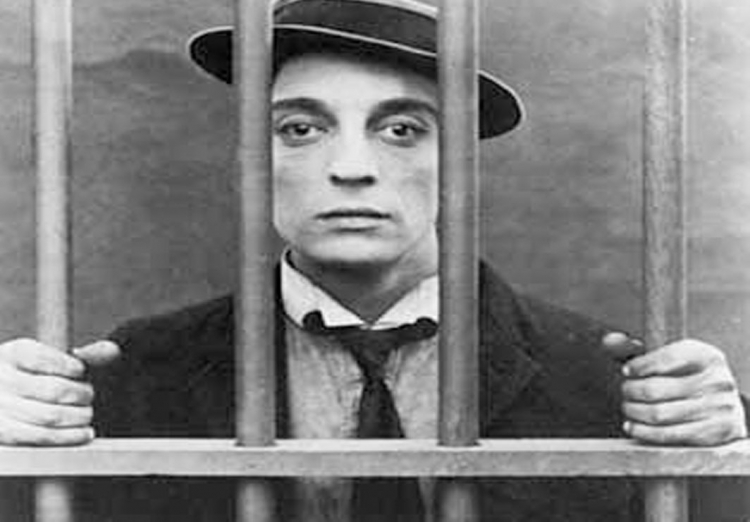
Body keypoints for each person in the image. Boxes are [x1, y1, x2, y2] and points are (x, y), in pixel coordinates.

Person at [0, 0, 746, 520]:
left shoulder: (607, 387)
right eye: (300, 128)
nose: (350, 168)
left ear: (459, 161)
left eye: (401, 129)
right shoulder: (134, 381)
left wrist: (728, 450)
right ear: (250, 158)